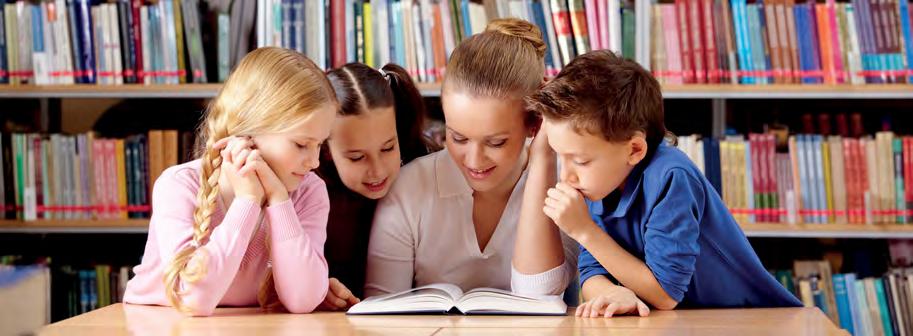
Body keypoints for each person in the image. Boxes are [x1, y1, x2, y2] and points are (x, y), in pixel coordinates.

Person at [525, 50, 802, 318]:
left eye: (581, 161)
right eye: (562, 158)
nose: (566, 177)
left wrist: (584, 230)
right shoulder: (599, 182)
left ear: (634, 149)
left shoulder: (671, 176)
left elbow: (665, 294)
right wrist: (613, 292)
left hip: (754, 320)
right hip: (686, 322)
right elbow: (591, 271)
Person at [364, 18, 577, 298]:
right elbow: (379, 311)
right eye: (458, 138)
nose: (474, 161)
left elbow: (539, 296)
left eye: (496, 142)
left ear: (535, 121)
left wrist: (543, 158)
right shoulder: (409, 188)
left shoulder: (567, 182)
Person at [123, 48, 338, 316]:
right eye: (301, 144)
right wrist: (247, 201)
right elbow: (193, 299)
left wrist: (278, 200)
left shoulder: (310, 192)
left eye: (320, 144)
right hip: (158, 325)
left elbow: (302, 300)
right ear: (249, 132)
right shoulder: (178, 186)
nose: (315, 161)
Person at [316, 62, 435, 310]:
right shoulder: (310, 192)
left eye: (388, 148)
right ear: (325, 149)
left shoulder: (424, 169)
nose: (378, 170)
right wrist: (316, 286)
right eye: (357, 157)